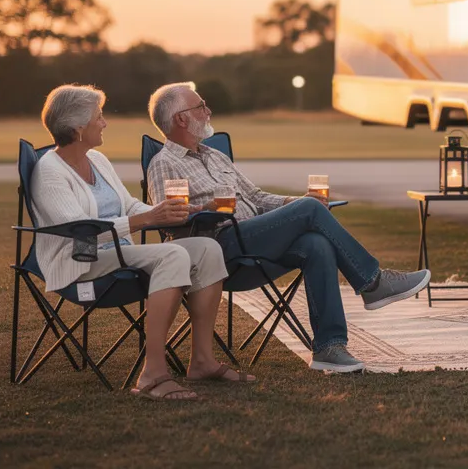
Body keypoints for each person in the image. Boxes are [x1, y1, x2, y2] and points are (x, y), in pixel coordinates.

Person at [144, 82, 431, 374]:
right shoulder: (163, 163)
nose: (208, 111)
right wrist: (205, 209)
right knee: (309, 210)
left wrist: (296, 201)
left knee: (315, 245)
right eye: (200, 106)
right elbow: (168, 220)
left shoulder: (215, 155)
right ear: (181, 118)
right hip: (217, 249)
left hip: (254, 241)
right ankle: (373, 282)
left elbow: (255, 197)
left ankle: (328, 347)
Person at [31, 84, 248, 401]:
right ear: (78, 128)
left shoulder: (98, 161)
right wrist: (143, 221)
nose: (104, 123)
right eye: (99, 117)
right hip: (79, 263)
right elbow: (80, 231)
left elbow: (129, 206)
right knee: (172, 255)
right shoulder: (49, 171)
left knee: (207, 248)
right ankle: (153, 373)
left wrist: (168, 212)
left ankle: (202, 360)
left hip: (117, 254)